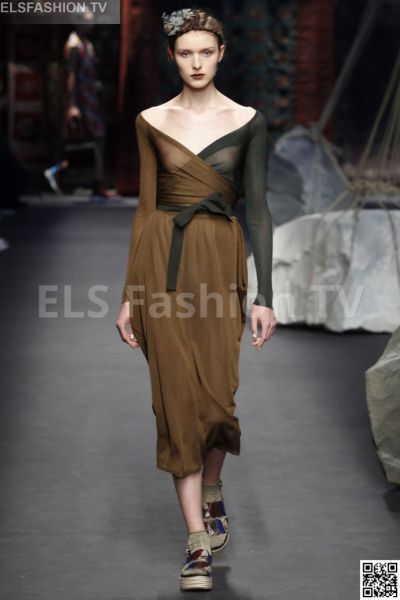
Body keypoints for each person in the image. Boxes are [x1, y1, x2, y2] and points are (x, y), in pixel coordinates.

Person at [115, 7, 277, 592]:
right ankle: (196, 545)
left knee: (217, 399)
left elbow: (257, 209)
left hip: (219, 263)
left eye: (206, 52)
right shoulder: (151, 120)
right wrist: (130, 294)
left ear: (222, 53)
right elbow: (144, 209)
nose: (197, 63)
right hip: (162, 263)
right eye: (186, 53)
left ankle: (212, 484)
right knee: (177, 403)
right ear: (172, 57)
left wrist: (265, 295)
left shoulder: (248, 121)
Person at [44, 23, 116, 198]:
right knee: (86, 140)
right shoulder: (73, 45)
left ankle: (92, 180)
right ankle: (61, 172)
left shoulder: (87, 44)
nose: (90, 24)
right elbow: (71, 74)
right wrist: (72, 105)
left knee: (92, 140)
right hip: (81, 99)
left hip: (90, 97)